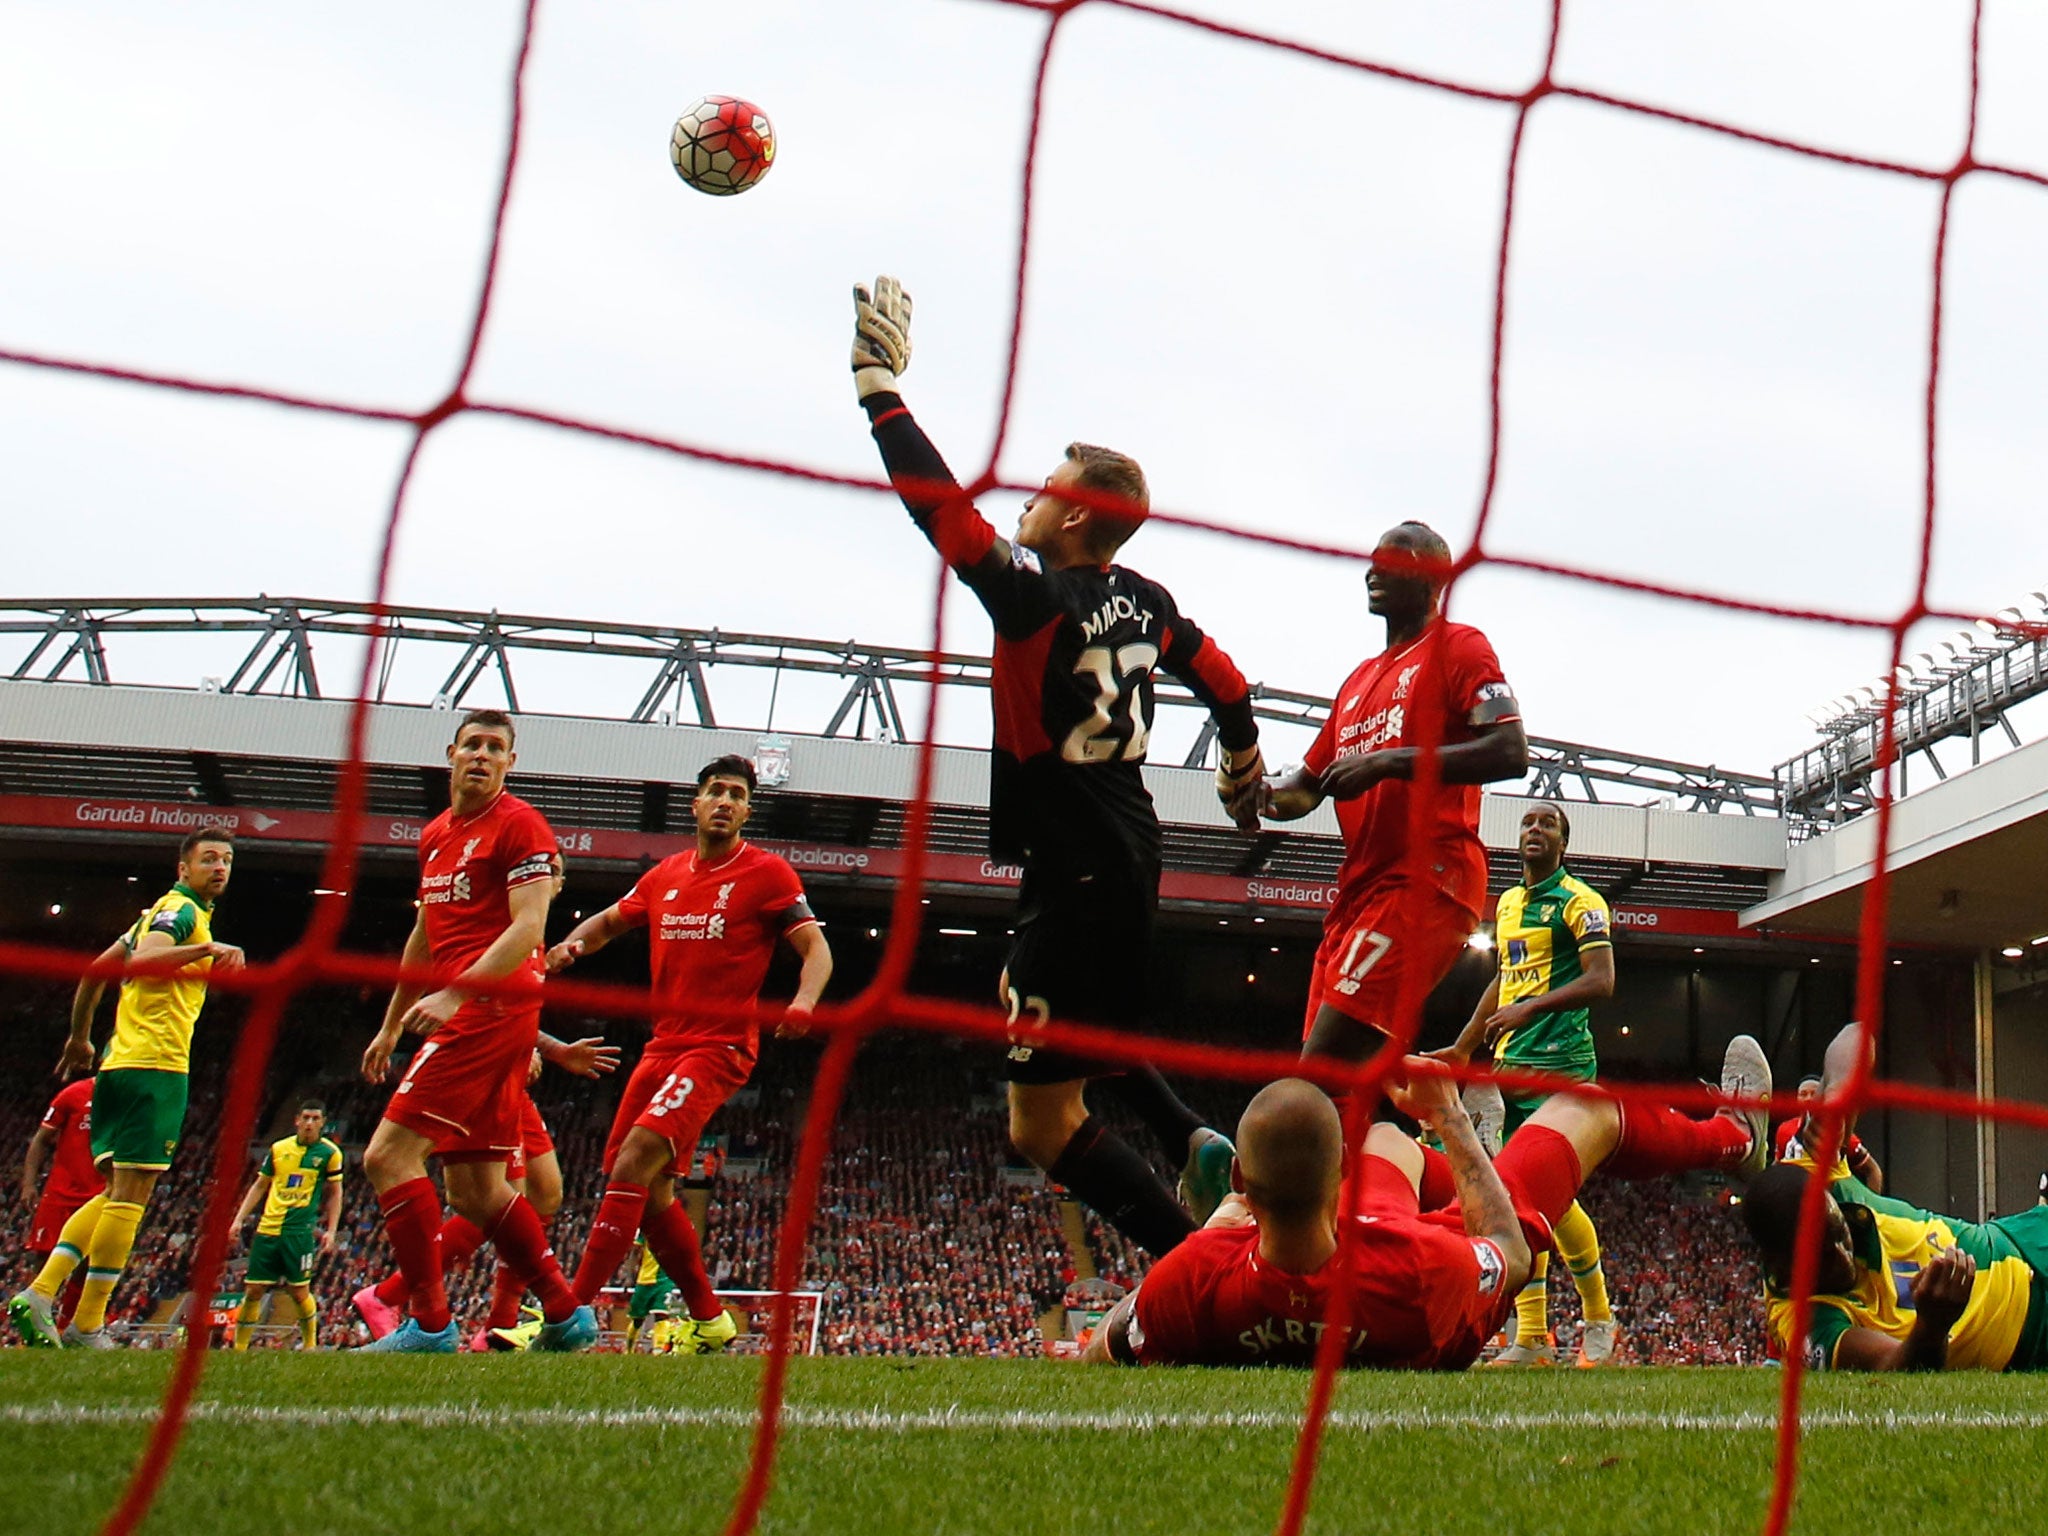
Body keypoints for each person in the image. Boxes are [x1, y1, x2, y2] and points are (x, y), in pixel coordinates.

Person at [849, 274, 1265, 1253]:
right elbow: (1227, 678)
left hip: (1071, 866)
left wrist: (876, 387)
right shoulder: (1149, 600)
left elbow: (940, 515)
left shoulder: (1036, 600)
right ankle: (1188, 1137)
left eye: (1042, 490)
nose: (1025, 502)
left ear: (1075, 518)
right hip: (1131, 854)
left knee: (1038, 1124)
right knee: (1095, 1040)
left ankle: (1187, 1270)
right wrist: (1241, 763)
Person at [1084, 1038, 1770, 1369]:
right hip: (1403, 1260)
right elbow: (1508, 1249)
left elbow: (1107, 1346)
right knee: (1586, 1110)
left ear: (1240, 1180)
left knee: (1389, 1134)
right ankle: (1734, 1139)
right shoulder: (1425, 1270)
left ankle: (1473, 1149)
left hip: (1331, 1251)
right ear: (1340, 1172)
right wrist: (1452, 1124)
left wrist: (1220, 1228)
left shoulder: (1195, 1278)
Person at [552, 754, 831, 1353]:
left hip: (719, 1046)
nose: (725, 801)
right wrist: (567, 948)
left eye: (737, 794)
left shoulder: (767, 873)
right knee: (648, 1193)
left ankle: (569, 1316)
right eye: (715, 791)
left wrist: (804, 1003)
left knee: (632, 1163)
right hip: (662, 1046)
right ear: (696, 803)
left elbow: (817, 950)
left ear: (748, 809)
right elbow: (605, 923)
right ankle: (709, 1319)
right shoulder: (666, 875)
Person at [1245, 523, 1528, 1081]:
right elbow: (1307, 784)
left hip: (1427, 880)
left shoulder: (1458, 646)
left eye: (1391, 560)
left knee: (1313, 1080)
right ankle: (1436, 1115)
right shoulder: (1357, 683)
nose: (1372, 571)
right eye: (1371, 560)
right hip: (1356, 896)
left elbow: (1510, 749)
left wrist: (1389, 761)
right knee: (1339, 1096)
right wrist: (1258, 794)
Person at [357, 708, 596, 1353]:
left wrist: (457, 992)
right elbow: (424, 933)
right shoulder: (435, 834)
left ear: (510, 763)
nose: (483, 755)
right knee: (478, 1188)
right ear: (452, 753)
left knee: (387, 1156)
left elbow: (528, 929)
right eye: (473, 745)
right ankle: (565, 1313)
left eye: (496, 748)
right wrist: (388, 1027)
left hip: (489, 1010)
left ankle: (428, 1324)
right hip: (477, 1012)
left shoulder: (520, 825)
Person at [10, 827, 244, 1348]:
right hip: (155, 1066)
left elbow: (98, 970)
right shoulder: (179, 912)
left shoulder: (151, 917)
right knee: (131, 1199)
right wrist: (205, 946)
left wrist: (79, 1039)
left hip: (119, 1065)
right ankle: (87, 1324)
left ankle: (42, 1294)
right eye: (209, 859)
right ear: (183, 868)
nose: (220, 867)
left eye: (227, 860)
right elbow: (141, 963)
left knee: (118, 1193)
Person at [1440, 803, 1619, 1366]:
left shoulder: (1581, 902)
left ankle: (1596, 1320)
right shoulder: (1511, 903)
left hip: (1563, 1064)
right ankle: (1535, 1339)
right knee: (1524, 1197)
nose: (1534, 830)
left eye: (1547, 824)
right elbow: (1504, 977)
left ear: (1564, 842)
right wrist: (1465, 1044)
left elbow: (1602, 979)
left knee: (1543, 1196)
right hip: (1512, 1065)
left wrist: (1532, 1008)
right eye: (1527, 823)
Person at [1743, 1164, 2048, 1371]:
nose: (1842, 1256)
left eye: (1840, 1233)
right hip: (2033, 1334)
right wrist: (1932, 1325)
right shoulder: (1804, 1321)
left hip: (2024, 1235)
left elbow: (1843, 1079)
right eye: (1822, 1255)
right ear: (1782, 1266)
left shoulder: (1831, 1185)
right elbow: (1893, 1366)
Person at [227, 1100, 342, 1350]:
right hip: (268, 1228)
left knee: (299, 1291)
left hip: (298, 1232)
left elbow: (335, 1193)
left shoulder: (329, 1154)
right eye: (306, 1118)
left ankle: (310, 1346)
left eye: (315, 1119)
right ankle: (239, 1349)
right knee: (254, 1290)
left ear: (323, 1123)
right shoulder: (279, 1149)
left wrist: (331, 1231)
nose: (310, 1123)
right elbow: (260, 1185)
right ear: (296, 1120)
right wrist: (238, 1219)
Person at [17, 1072, 104, 1332]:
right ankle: (30, 1326)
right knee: (43, 1258)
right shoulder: (74, 1094)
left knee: (87, 1264)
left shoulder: (126, 1099)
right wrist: (29, 1184)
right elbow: (41, 1139)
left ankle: (67, 1328)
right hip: (60, 1194)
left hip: (98, 1196)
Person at [1772, 1074, 1885, 1191]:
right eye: (1803, 1094)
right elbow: (1777, 1166)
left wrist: (1871, 1202)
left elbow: (1872, 1170)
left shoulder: (1839, 1132)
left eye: (1814, 1094)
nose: (1809, 1099)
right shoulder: (1784, 1129)